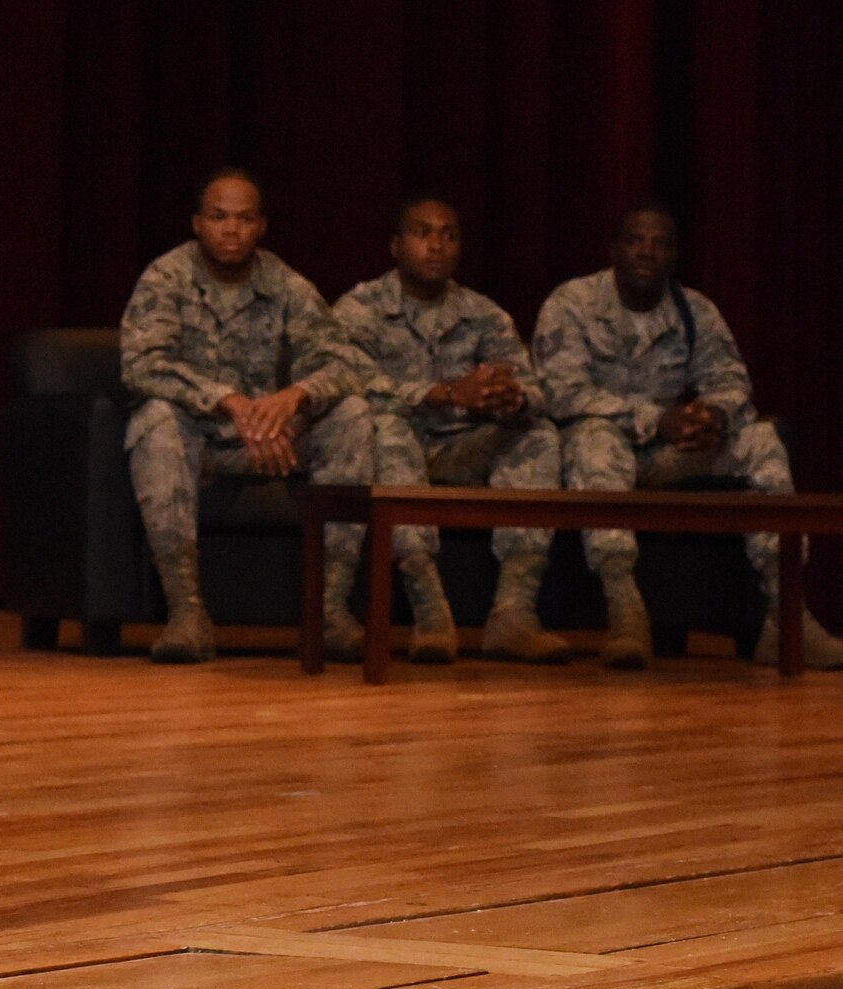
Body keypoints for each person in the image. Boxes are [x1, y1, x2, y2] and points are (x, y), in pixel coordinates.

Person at [535, 204, 843, 671]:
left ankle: (788, 616)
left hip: (667, 453)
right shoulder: (572, 304)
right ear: (613, 249)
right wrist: (656, 420)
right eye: (636, 240)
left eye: (661, 244)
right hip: (600, 453)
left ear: (674, 255)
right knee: (594, 440)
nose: (647, 252)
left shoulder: (694, 310)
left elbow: (732, 381)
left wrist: (712, 416)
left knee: (761, 440)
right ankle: (627, 615)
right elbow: (562, 394)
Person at [120, 170, 384, 664]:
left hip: (272, 441)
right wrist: (229, 401)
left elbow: (346, 364)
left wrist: (295, 397)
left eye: (244, 219)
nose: (231, 230)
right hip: (197, 441)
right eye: (219, 217)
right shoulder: (167, 277)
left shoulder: (285, 284)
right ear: (197, 222)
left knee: (352, 414)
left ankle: (327, 612)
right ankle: (186, 614)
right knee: (154, 420)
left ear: (261, 226)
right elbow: (141, 366)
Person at [334, 198, 569, 665]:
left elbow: (538, 389)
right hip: (395, 445)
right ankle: (430, 612)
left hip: (461, 446)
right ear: (396, 246)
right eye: (423, 233)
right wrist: (444, 393)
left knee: (537, 434)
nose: (437, 245)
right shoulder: (359, 309)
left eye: (449, 235)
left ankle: (513, 613)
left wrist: (511, 400)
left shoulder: (483, 315)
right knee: (386, 429)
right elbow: (344, 383)